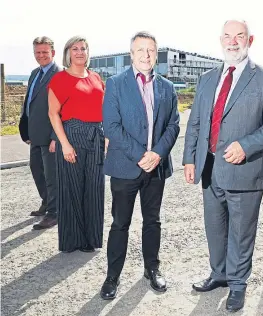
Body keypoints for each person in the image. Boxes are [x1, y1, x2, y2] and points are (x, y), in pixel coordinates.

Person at [182, 20, 263, 312]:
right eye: (227, 36)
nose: (232, 41)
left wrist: (246, 145)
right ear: (220, 40)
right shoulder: (207, 78)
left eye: (239, 36)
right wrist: (190, 158)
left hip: (245, 171)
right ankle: (219, 274)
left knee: (241, 232)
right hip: (209, 168)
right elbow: (197, 123)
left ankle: (238, 285)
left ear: (249, 40)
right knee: (215, 228)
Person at [100, 32, 180, 300]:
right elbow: (111, 125)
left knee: (152, 221)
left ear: (156, 54)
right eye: (141, 50)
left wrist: (157, 154)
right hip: (125, 167)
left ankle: (152, 269)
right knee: (120, 223)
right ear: (131, 54)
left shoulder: (168, 88)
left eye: (151, 50)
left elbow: (173, 125)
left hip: (156, 168)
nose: (146, 55)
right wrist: (140, 155)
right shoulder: (115, 83)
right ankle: (112, 276)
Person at [48, 36, 105, 253]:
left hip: (96, 135)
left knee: (94, 188)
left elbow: (103, 109)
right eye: (75, 49)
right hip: (72, 134)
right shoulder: (59, 79)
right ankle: (72, 240)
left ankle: (91, 239)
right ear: (68, 53)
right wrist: (64, 144)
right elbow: (53, 113)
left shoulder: (96, 77)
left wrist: (106, 136)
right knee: (71, 188)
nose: (80, 52)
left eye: (84, 48)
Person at [18, 36, 61, 230]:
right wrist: (25, 129)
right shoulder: (34, 73)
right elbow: (30, 102)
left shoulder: (59, 74)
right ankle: (46, 203)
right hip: (35, 133)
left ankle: (54, 213)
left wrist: (55, 136)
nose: (41, 55)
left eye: (45, 52)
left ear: (53, 52)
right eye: (38, 52)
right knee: (37, 171)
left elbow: (62, 109)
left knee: (52, 176)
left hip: (50, 135)